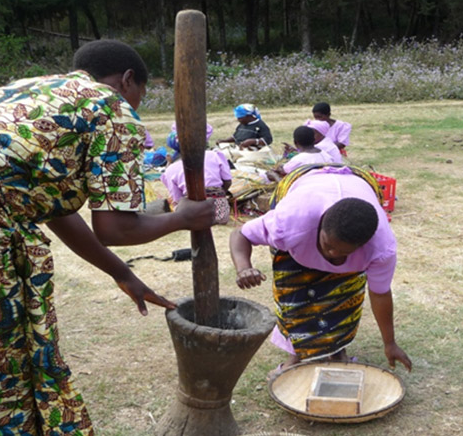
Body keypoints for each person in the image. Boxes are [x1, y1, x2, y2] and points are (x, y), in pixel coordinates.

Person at [0, 39, 215, 434]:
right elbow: (115, 227)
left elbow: (55, 211)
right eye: (140, 96)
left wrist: (123, 274)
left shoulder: (23, 88)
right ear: (127, 80)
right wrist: (182, 217)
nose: (136, 106)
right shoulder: (112, 107)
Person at [230, 164, 412, 376]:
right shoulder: (290, 222)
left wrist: (390, 343)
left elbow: (380, 293)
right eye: (328, 245)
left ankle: (336, 349)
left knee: (343, 299)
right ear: (320, 224)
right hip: (308, 184)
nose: (333, 254)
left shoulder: (380, 248)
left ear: (363, 245)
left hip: (356, 187)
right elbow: (240, 234)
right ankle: (296, 355)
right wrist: (243, 268)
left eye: (344, 252)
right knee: (294, 297)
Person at [161, 124, 232, 223]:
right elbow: (227, 181)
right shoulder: (215, 155)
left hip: (192, 215)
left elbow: (177, 199)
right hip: (219, 213)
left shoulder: (170, 170)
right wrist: (220, 194)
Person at [271, 125, 335, 180]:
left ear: (295, 142)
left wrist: (278, 170)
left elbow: (284, 171)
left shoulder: (298, 160)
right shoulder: (326, 155)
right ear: (314, 140)